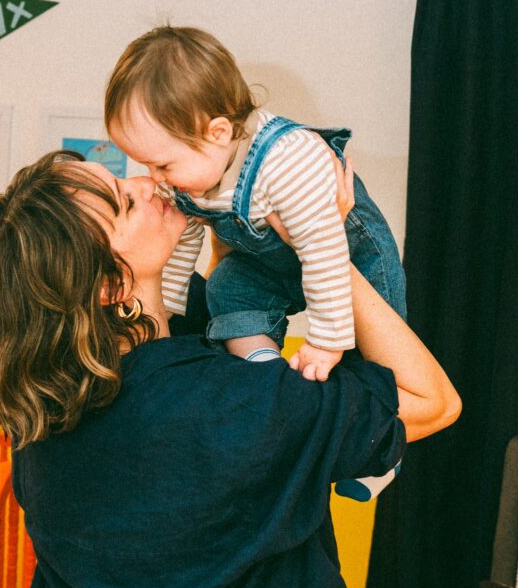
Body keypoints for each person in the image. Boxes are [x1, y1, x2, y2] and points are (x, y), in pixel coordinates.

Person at [0, 150, 460, 588]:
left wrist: (222, 232)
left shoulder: (44, 405)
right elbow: (431, 400)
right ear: (111, 283)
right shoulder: (222, 405)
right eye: (126, 203)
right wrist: (324, 247)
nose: (144, 183)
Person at [105, 25, 407, 501]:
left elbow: (324, 251)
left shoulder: (286, 161)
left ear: (218, 132)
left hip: (344, 250)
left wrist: (326, 343)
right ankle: (260, 366)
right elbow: (181, 240)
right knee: (227, 286)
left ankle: (381, 451)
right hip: (273, 260)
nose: (153, 178)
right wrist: (172, 310)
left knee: (369, 351)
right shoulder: (195, 168)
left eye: (161, 166)